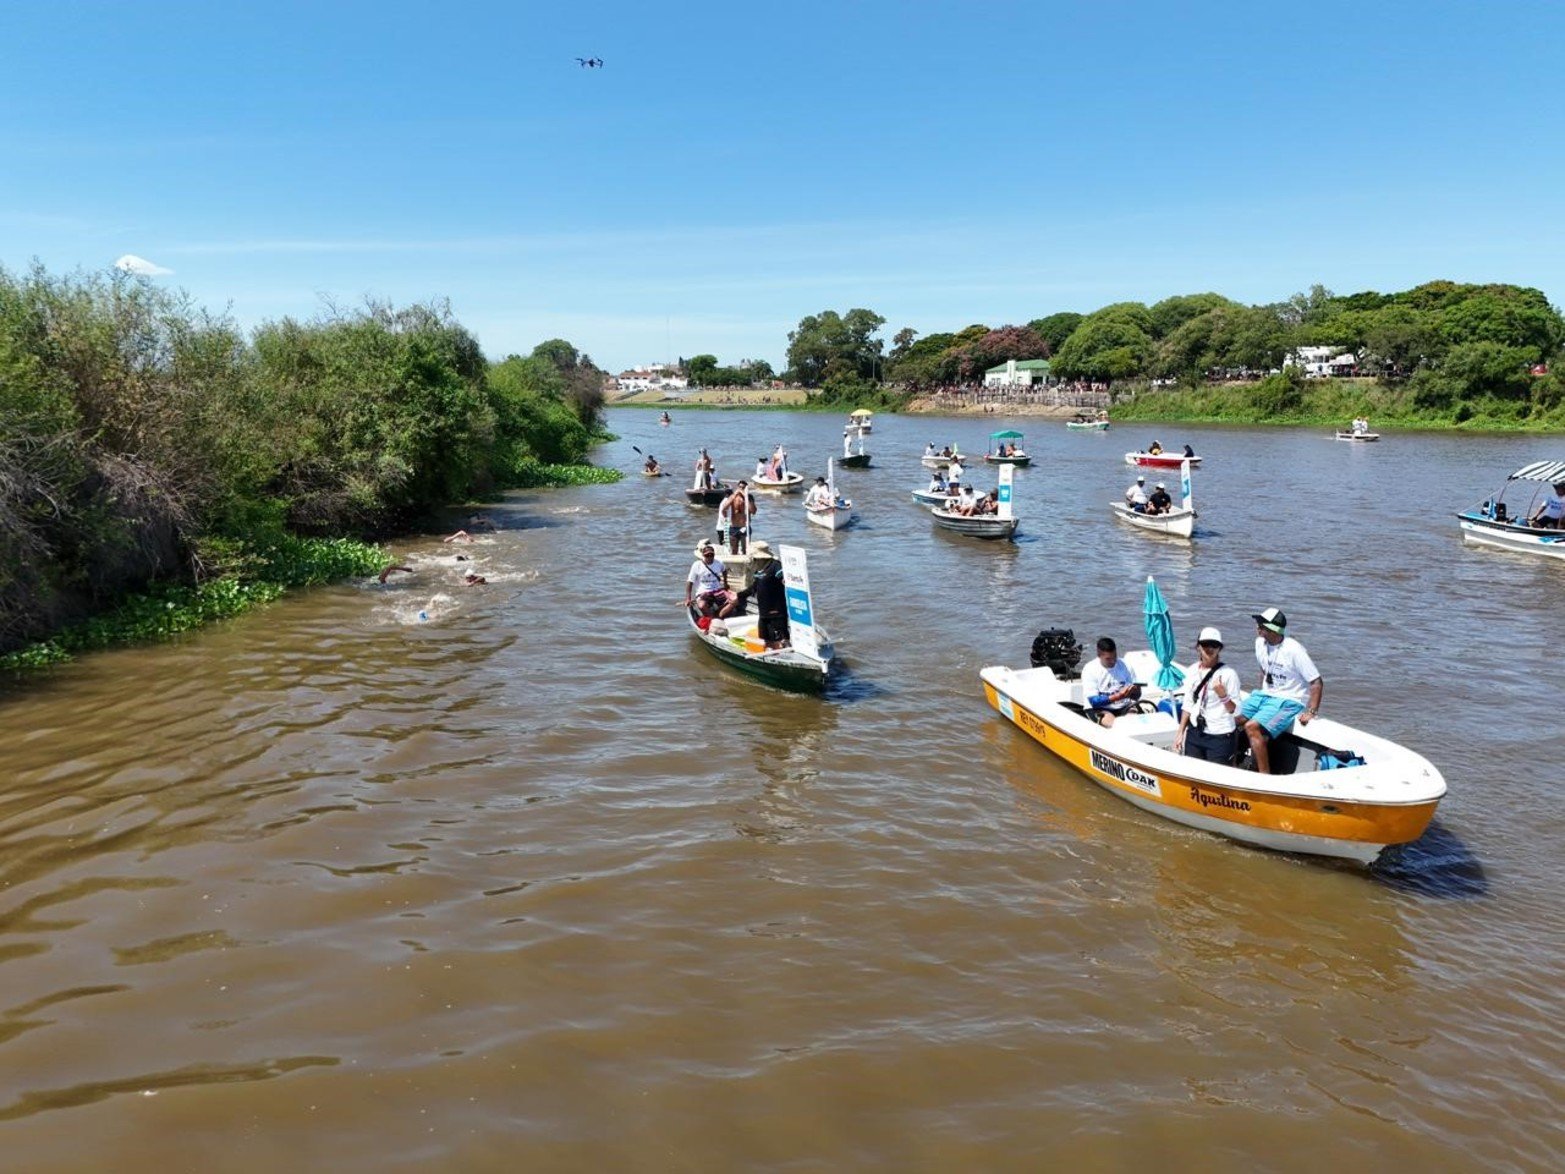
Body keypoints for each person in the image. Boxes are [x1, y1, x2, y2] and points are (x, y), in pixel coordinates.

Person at [1237, 607, 1323, 774]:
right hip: (1265, 695)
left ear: (1273, 629)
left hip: (1289, 700)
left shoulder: (1294, 650)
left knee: (1252, 726)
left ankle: (1264, 777)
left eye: (1261, 625)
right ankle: (1232, 761)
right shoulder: (1259, 643)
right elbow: (1263, 670)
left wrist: (1311, 711)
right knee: (1230, 718)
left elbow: (1316, 682)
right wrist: (1260, 695)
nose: (1257, 627)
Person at [1174, 627, 1243, 762]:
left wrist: (1224, 696)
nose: (1209, 649)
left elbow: (1237, 712)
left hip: (1220, 736)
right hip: (1195, 732)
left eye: (1214, 645)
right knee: (1192, 776)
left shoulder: (1229, 674)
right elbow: (1188, 703)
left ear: (1220, 649)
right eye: (1205, 644)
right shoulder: (1193, 670)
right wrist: (1180, 732)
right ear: (1198, 647)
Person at [1081, 636, 1141, 727]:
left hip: (1124, 706)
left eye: (1115, 657)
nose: (1113, 661)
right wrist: (1118, 696)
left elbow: (1136, 697)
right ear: (1099, 655)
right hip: (1099, 708)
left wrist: (1135, 692)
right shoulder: (1090, 669)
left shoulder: (1126, 665)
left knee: (1132, 724)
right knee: (1116, 726)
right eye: (1108, 659)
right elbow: (1094, 701)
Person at [749, 540, 789, 649]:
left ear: (760, 558)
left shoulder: (775, 566)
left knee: (783, 640)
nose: (753, 560)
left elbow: (783, 578)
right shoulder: (758, 570)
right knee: (764, 640)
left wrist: (785, 580)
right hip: (764, 613)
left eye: (755, 558)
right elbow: (753, 588)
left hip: (777, 612)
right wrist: (738, 596)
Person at [685, 541, 738, 619]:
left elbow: (724, 571)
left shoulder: (719, 563)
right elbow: (690, 582)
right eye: (707, 555)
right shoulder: (697, 565)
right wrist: (688, 598)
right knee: (701, 605)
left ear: (714, 555)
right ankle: (712, 618)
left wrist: (725, 584)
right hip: (703, 592)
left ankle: (719, 616)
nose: (709, 557)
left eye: (711, 555)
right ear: (703, 555)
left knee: (734, 600)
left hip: (717, 590)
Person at [717, 481, 756, 554]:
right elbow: (724, 508)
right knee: (734, 550)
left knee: (745, 550)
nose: (741, 489)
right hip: (734, 527)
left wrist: (745, 496)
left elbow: (753, 511)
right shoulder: (732, 497)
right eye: (740, 487)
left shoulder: (749, 498)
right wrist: (733, 497)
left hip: (744, 527)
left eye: (743, 488)